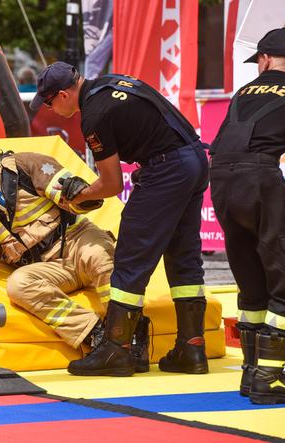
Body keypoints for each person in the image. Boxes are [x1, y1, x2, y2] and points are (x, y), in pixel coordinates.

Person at [31, 62, 209, 377]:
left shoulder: (94, 116)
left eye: (48, 102)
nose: (49, 109)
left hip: (167, 168)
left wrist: (77, 196)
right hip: (192, 159)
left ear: (63, 94)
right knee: (184, 255)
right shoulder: (112, 82)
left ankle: (117, 349)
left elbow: (111, 185)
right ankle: (191, 348)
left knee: (129, 254)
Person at [0, 144, 150, 373]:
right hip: (45, 267)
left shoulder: (26, 165)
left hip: (75, 240)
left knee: (99, 256)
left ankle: (131, 336)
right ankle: (97, 337)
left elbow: (78, 197)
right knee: (19, 285)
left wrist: (82, 195)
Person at [209, 28, 285, 405]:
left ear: (264, 59)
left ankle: (250, 372)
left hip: (222, 180)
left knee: (251, 276)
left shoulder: (242, 94)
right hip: (259, 178)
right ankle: (269, 377)